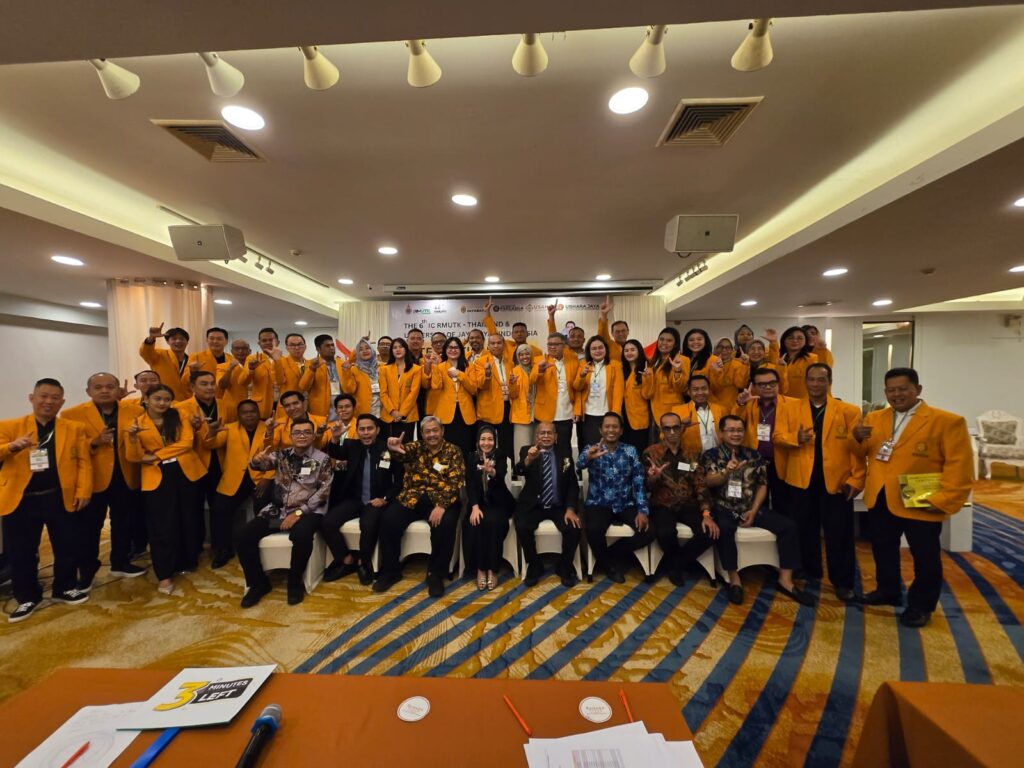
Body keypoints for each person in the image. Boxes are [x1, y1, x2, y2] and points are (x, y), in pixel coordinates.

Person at [853, 367, 973, 627]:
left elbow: (960, 467)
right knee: (883, 548)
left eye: (903, 389)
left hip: (922, 500)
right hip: (881, 497)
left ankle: (921, 605)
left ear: (918, 389)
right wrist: (857, 439)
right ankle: (888, 590)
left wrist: (943, 499)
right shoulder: (874, 418)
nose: (896, 395)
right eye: (891, 390)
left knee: (925, 555)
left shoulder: (946, 421)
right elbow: (866, 452)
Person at [1, 379, 92, 622]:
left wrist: (84, 491)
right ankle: (27, 595)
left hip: (58, 495)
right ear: (32, 398)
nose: (48, 402)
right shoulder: (10, 426)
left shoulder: (73, 428)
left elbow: (83, 462)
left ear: (62, 402)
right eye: (43, 396)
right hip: (21, 499)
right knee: (21, 550)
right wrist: (12, 447)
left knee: (66, 545)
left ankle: (65, 587)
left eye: (55, 398)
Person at [702, 415, 815, 607]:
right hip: (724, 507)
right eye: (731, 430)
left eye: (739, 430)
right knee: (725, 528)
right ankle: (734, 579)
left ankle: (785, 580)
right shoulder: (711, 455)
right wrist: (726, 472)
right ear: (721, 433)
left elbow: (763, 484)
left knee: (788, 526)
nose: (736, 434)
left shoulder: (754, 455)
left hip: (750, 507)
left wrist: (754, 511)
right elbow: (708, 482)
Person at [779, 364, 864, 601]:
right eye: (812, 379)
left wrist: (857, 480)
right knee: (804, 529)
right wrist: (794, 438)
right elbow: (778, 436)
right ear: (805, 382)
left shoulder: (848, 411)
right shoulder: (790, 408)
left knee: (840, 533)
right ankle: (809, 570)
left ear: (830, 382)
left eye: (821, 380)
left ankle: (843, 582)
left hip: (837, 481)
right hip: (801, 479)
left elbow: (857, 449)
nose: (815, 384)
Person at [235, 418, 334, 607]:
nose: (302, 436)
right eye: (297, 432)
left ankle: (294, 583)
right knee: (243, 535)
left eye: (306, 432)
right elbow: (259, 465)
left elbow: (323, 492)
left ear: (313, 436)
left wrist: (298, 514)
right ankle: (258, 584)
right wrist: (255, 460)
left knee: (301, 535)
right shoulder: (281, 455)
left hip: (309, 510)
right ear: (291, 436)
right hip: (278, 509)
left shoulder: (322, 459)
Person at [62, 373, 147, 590]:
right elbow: (68, 450)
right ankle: (87, 571)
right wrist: (94, 442)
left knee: (123, 523)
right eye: (98, 387)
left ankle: (120, 562)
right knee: (89, 528)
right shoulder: (72, 415)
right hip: (93, 479)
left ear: (117, 390)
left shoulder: (135, 411)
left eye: (110, 386)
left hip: (125, 476)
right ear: (88, 391)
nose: (104, 391)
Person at [125, 384, 206, 595]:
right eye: (157, 399)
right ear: (146, 399)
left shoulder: (180, 415)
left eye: (166, 399)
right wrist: (132, 438)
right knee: (161, 525)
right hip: (156, 477)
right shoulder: (137, 423)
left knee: (188, 518)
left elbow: (186, 442)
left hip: (185, 472)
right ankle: (164, 573)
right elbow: (134, 456)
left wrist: (156, 455)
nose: (162, 403)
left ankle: (187, 560)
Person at [375, 416, 465, 597]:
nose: (432, 435)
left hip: (441, 499)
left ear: (442, 431)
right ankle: (391, 571)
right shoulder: (416, 447)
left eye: (435, 430)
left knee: (445, 524)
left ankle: (436, 574)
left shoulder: (453, 451)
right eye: (427, 431)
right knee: (388, 519)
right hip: (413, 497)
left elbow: (456, 482)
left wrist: (442, 506)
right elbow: (402, 453)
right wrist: (394, 448)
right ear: (422, 434)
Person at [321, 413, 402, 585]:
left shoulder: (388, 448)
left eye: (369, 429)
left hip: (377, 499)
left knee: (368, 524)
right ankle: (346, 559)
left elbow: (400, 482)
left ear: (377, 430)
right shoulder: (352, 446)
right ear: (357, 431)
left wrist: (385, 499)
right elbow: (335, 452)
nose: (365, 433)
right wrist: (335, 438)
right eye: (362, 429)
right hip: (354, 499)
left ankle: (363, 562)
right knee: (327, 523)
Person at [577, 412, 651, 583]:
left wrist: (642, 510)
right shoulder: (591, 449)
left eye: (615, 427)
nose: (611, 430)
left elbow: (638, 480)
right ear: (600, 430)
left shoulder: (630, 451)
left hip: (626, 503)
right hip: (598, 503)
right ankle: (609, 567)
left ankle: (611, 555)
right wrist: (588, 457)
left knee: (649, 531)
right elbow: (579, 464)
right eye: (607, 426)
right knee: (593, 529)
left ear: (621, 431)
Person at [644, 412, 715, 586]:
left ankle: (675, 564)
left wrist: (706, 513)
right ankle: (678, 566)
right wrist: (653, 478)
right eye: (667, 428)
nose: (672, 432)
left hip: (688, 504)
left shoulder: (692, 454)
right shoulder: (651, 453)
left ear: (681, 428)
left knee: (710, 532)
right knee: (665, 532)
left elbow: (700, 484)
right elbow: (646, 487)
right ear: (662, 430)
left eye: (676, 427)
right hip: (663, 504)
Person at [203, 399, 273, 568]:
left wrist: (267, 477)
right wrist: (211, 432)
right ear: (238, 415)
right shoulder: (229, 428)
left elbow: (276, 452)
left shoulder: (269, 428)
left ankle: (260, 547)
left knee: (262, 507)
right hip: (234, 478)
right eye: (244, 412)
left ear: (258, 413)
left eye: (253, 411)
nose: (249, 415)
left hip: (260, 477)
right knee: (219, 508)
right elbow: (210, 444)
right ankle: (223, 550)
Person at [514, 421, 581, 588]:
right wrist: (529, 459)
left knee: (574, 528)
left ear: (556, 436)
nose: (545, 436)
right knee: (522, 525)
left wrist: (570, 509)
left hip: (558, 506)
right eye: (542, 433)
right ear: (536, 436)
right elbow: (518, 470)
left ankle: (564, 566)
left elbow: (572, 484)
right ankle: (534, 565)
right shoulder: (527, 451)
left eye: (549, 433)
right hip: (534, 505)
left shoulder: (565, 454)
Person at [734, 368, 802, 515]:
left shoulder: (794, 405)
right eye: (762, 384)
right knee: (756, 507)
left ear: (778, 383)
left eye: (772, 383)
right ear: (754, 386)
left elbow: (800, 432)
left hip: (782, 462)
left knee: (784, 506)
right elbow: (733, 425)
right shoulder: (749, 404)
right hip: (754, 463)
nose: (768, 387)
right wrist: (740, 404)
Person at [175, 370, 223, 557]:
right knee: (192, 509)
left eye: (212, 383)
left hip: (219, 462)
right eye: (204, 384)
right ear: (192, 386)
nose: (210, 387)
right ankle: (193, 550)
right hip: (193, 464)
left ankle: (219, 548)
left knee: (218, 508)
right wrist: (195, 428)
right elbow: (176, 438)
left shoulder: (225, 404)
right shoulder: (180, 408)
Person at [462, 425, 515, 590]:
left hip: (499, 502)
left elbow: (501, 478)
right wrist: (474, 507)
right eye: (483, 439)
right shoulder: (471, 457)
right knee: (475, 522)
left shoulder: (501, 455)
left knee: (493, 523)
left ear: (495, 441)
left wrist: (492, 472)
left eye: (490, 439)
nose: (486, 443)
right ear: (478, 441)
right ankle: (480, 569)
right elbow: (470, 485)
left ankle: (492, 570)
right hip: (478, 503)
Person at [424, 336, 478, 455]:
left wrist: (460, 374)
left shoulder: (469, 366)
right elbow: (436, 386)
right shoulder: (440, 366)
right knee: (446, 450)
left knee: (465, 449)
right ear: (445, 350)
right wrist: (435, 367)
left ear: (461, 350)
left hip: (465, 413)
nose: (453, 350)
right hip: (446, 413)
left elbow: (473, 389)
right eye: (450, 347)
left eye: (456, 347)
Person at [531, 333, 581, 459]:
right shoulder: (539, 360)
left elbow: (577, 388)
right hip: (544, 414)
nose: (552, 347)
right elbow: (532, 380)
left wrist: (577, 409)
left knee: (564, 449)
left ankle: (566, 471)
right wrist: (540, 370)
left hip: (565, 414)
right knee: (542, 449)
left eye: (556, 344)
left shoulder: (573, 361)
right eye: (550, 344)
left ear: (564, 345)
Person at [471, 333, 517, 465]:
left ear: (503, 345)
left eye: (499, 343)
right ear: (488, 346)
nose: (496, 346)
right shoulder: (480, 362)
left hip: (507, 408)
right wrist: (487, 375)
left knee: (506, 444)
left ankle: (506, 472)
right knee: (485, 445)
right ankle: (483, 471)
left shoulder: (510, 362)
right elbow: (480, 385)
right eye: (493, 343)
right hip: (488, 410)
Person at [574, 336, 624, 448]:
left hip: (607, 413)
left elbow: (618, 392)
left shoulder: (615, 365)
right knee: (589, 447)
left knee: (607, 447)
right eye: (594, 348)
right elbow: (577, 387)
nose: (597, 351)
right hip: (588, 414)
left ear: (606, 349)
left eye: (600, 348)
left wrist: (615, 415)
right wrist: (582, 376)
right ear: (589, 351)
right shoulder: (583, 364)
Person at [379, 337, 423, 438]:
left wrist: (402, 413)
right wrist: (393, 411)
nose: (398, 349)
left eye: (400, 347)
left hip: (408, 416)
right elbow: (383, 393)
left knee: (407, 445)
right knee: (389, 445)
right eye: (395, 347)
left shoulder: (416, 369)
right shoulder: (384, 369)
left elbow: (413, 394)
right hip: (389, 415)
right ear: (391, 351)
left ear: (406, 349)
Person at [139, 324, 191, 401]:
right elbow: (145, 352)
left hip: (187, 401)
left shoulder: (192, 360)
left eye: (182, 338)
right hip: (163, 401)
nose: (178, 341)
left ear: (187, 342)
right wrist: (151, 338)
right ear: (167, 342)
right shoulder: (159, 355)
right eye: (174, 339)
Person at [648, 328, 689, 425]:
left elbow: (681, 388)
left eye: (669, 340)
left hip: (672, 411)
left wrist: (677, 370)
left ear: (675, 344)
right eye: (661, 339)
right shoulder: (653, 361)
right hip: (653, 409)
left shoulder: (682, 360)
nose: (664, 343)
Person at [239, 328, 282, 419]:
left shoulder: (285, 360)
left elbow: (282, 381)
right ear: (259, 343)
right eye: (264, 340)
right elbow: (242, 382)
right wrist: (251, 369)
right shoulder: (252, 359)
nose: (268, 343)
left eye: (271, 340)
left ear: (277, 342)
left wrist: (277, 360)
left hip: (282, 404)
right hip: (261, 405)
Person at [620, 339, 653, 453]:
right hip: (623, 418)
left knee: (638, 452)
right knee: (625, 452)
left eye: (632, 350)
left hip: (639, 419)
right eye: (626, 350)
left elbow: (647, 395)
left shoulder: (647, 370)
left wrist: (647, 379)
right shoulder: (622, 370)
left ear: (639, 351)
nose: (629, 353)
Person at [677, 375, 723, 458]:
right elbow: (665, 437)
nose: (700, 392)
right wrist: (682, 426)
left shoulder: (720, 409)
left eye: (704, 388)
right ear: (688, 392)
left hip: (718, 458)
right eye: (695, 389)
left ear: (709, 390)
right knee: (685, 465)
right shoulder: (678, 411)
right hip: (689, 459)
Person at [508, 343, 537, 470]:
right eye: (521, 354)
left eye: (527, 354)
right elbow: (513, 395)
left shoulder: (537, 369)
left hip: (538, 415)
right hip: (521, 416)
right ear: (517, 356)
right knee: (522, 449)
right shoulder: (514, 371)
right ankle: (522, 478)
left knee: (537, 450)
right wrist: (512, 384)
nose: (524, 357)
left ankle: (536, 478)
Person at [306, 334, 344, 419]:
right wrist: (312, 369)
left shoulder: (341, 363)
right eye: (327, 346)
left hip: (341, 408)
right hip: (320, 410)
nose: (331, 348)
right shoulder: (310, 364)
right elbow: (304, 386)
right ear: (318, 349)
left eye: (332, 345)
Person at [776, 326, 819, 401]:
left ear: (805, 341)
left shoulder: (811, 359)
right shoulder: (778, 358)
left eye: (800, 338)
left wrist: (822, 349)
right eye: (790, 338)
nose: (795, 341)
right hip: (781, 402)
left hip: (803, 402)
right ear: (784, 340)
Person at [182, 327, 230, 392]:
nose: (215, 341)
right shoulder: (196, 357)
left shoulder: (231, 359)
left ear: (226, 341)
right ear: (207, 340)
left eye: (219, 339)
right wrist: (192, 371)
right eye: (212, 338)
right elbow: (184, 382)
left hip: (225, 396)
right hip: (203, 395)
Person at [215, 338, 252, 423]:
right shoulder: (222, 366)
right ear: (232, 351)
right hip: (232, 408)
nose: (240, 351)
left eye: (244, 348)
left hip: (255, 407)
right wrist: (229, 369)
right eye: (237, 348)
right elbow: (222, 386)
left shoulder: (255, 365)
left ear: (250, 351)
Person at [341, 337, 380, 417]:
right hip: (364, 413)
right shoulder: (354, 369)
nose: (365, 351)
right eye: (361, 349)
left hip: (382, 413)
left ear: (372, 350)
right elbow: (349, 390)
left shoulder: (382, 367)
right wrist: (346, 373)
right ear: (357, 353)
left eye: (367, 348)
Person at [274, 333, 313, 404]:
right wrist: (276, 361)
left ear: (305, 346)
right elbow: (279, 381)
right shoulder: (280, 362)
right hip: (288, 405)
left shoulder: (311, 364)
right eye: (292, 345)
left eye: (300, 344)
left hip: (308, 405)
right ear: (287, 347)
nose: (297, 348)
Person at [709, 337, 746, 411]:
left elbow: (741, 384)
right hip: (711, 406)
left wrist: (745, 365)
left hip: (731, 407)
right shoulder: (709, 363)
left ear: (732, 350)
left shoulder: (737, 364)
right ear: (715, 349)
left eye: (728, 347)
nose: (724, 350)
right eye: (720, 347)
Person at [597, 295, 629, 362]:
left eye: (623, 331)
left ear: (628, 331)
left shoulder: (633, 346)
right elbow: (602, 333)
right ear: (612, 333)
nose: (620, 334)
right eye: (617, 331)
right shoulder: (609, 345)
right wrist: (604, 315)